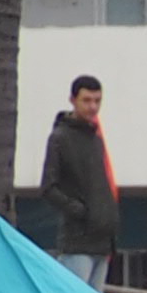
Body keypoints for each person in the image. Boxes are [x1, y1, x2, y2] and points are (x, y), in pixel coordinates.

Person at [37, 74, 115, 281]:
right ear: (73, 100)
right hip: (76, 242)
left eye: (97, 101)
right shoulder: (60, 138)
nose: (93, 107)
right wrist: (78, 210)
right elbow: (48, 187)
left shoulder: (96, 140)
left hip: (102, 241)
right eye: (86, 100)